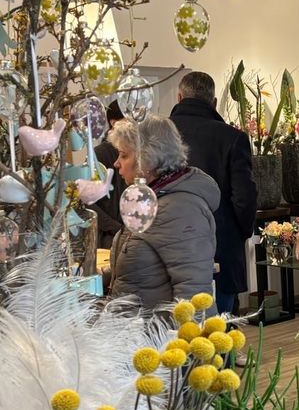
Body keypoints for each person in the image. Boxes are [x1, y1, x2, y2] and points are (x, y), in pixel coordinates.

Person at [108, 115, 220, 309]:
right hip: (138, 333)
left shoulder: (181, 209)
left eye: (124, 155)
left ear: (148, 159)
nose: (117, 163)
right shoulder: (152, 199)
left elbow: (193, 293)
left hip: (160, 336)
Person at [170, 71, 257, 316]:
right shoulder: (232, 138)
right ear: (215, 102)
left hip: (169, 249)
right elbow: (244, 197)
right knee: (220, 330)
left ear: (179, 97)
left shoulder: (158, 136)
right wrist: (239, 232)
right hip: (220, 245)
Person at [91, 100, 128, 249]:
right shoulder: (100, 154)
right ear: (113, 123)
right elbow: (89, 201)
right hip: (110, 237)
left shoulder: (140, 150)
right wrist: (116, 228)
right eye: (128, 119)